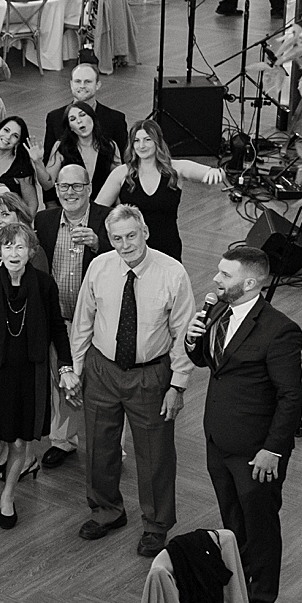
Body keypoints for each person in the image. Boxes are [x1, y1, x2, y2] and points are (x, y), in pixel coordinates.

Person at [184, 243, 302, 603]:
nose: (216, 279)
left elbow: (291, 396)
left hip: (255, 454)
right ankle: (236, 590)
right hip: (219, 442)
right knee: (233, 523)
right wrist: (193, 340)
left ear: (250, 282)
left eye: (225, 274)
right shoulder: (220, 309)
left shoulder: (280, 331)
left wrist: (273, 450)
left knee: (261, 531)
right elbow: (209, 360)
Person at [69, 206, 196, 558]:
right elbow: (83, 321)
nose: (125, 245)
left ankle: (156, 526)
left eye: (131, 235)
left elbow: (184, 333)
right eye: (117, 238)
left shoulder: (172, 273)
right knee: (98, 446)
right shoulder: (99, 267)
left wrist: (178, 384)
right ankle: (107, 511)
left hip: (150, 374)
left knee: (155, 454)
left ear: (145, 232)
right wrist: (77, 369)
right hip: (102, 368)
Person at [0, 222, 71, 529]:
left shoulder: (43, 284)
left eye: (20, 246)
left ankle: (8, 495)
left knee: (19, 445)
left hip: (30, 376)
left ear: (31, 252)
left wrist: (65, 366)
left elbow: (56, 328)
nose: (14, 252)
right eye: (8, 246)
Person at [33, 164, 111, 470]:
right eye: (64, 187)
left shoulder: (106, 219)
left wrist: (97, 243)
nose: (70, 193)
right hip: (58, 319)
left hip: (97, 322)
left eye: (77, 186)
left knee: (100, 385)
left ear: (89, 188)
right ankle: (63, 441)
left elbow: (127, 256)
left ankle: (107, 446)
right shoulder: (45, 219)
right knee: (61, 381)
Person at [96, 120, 227, 262]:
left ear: (157, 141)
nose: (141, 146)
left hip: (167, 245)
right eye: (136, 141)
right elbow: (98, 210)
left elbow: (212, 172)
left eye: (147, 140)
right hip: (132, 246)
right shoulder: (121, 173)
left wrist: (215, 172)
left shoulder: (176, 169)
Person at [41, 63, 129, 163]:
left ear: (97, 85)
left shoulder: (115, 119)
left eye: (88, 82)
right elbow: (48, 160)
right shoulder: (55, 118)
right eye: (78, 81)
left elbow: (124, 160)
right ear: (71, 84)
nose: (82, 86)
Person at [46, 101, 121, 198]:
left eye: (82, 115)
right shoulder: (61, 146)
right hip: (72, 204)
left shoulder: (109, 146)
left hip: (104, 207)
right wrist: (37, 161)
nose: (79, 121)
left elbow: (119, 182)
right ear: (70, 128)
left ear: (92, 118)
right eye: (72, 119)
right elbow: (48, 184)